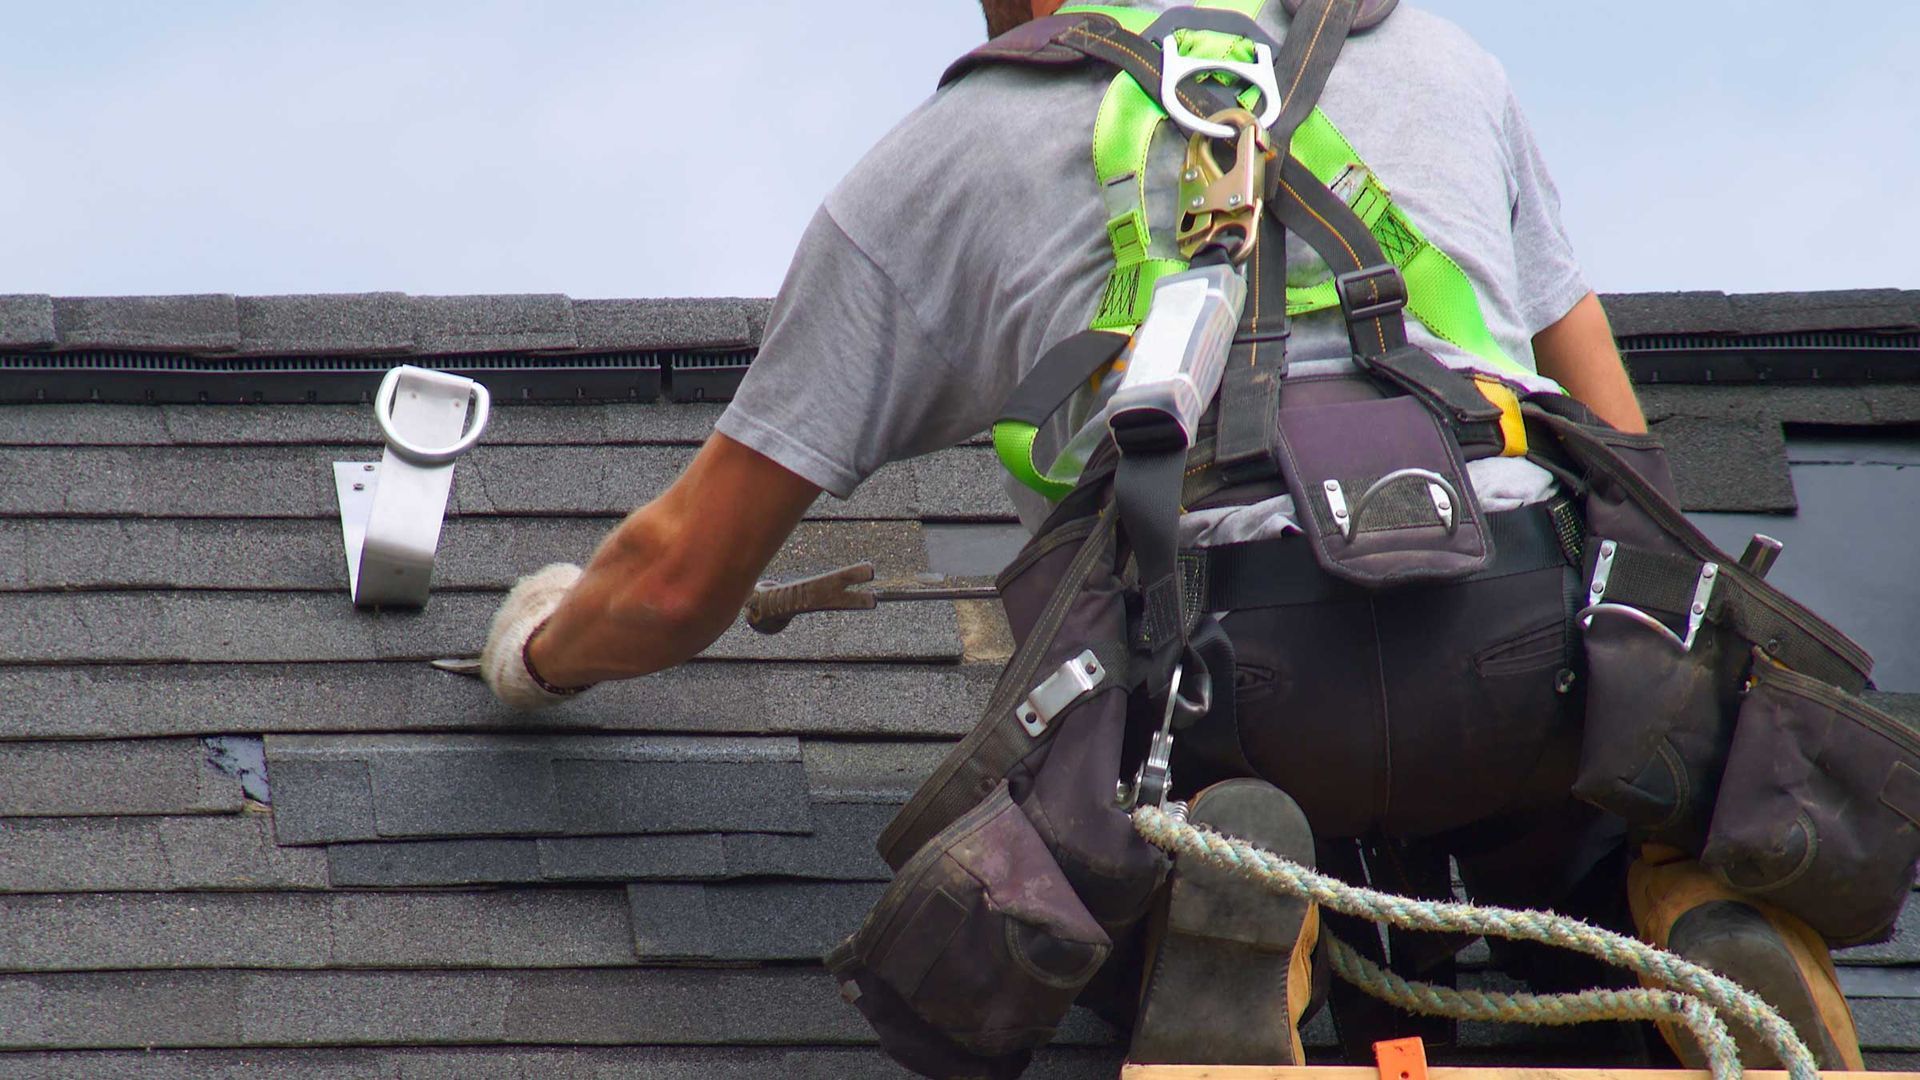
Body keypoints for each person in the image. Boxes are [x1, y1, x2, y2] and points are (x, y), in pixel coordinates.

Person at [479, 0, 1864, 1070]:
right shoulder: (1444, 63)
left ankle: (1239, 925)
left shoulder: (944, 158)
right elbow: (1630, 468)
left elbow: (674, 581)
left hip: (1232, 685)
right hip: (1530, 653)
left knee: (1122, 808)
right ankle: (1679, 907)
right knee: (1599, 788)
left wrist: (536, 655)